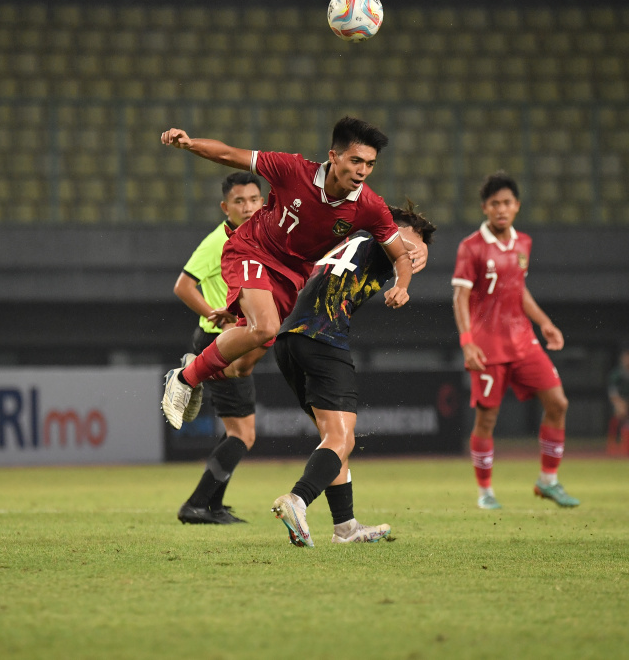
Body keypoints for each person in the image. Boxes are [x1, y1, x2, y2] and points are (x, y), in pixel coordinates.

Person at [159, 116, 423, 430]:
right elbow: (230, 154)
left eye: (370, 164)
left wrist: (402, 285)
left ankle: (196, 368)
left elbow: (400, 258)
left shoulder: (369, 206)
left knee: (242, 366)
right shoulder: (293, 170)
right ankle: (185, 380)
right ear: (333, 156)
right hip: (252, 249)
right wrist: (190, 144)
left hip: (291, 277)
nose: (362, 170)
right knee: (266, 327)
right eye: (355, 161)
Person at [271, 201, 436, 547]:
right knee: (342, 438)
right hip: (323, 337)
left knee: (333, 437)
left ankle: (345, 527)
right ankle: (297, 501)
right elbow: (404, 246)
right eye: (417, 233)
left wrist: (407, 256)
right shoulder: (385, 232)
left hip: (289, 340)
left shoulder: (350, 236)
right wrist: (412, 256)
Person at [451, 171, 580, 510]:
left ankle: (548, 481)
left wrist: (545, 323)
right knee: (487, 419)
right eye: (494, 204)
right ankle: (485, 492)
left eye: (507, 202)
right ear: (484, 208)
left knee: (558, 403)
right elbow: (459, 298)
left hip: (523, 341)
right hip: (487, 346)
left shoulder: (523, 243)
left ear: (517, 206)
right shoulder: (471, 247)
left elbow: (517, 289)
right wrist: (467, 341)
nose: (501, 209)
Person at [173, 172, 264, 525]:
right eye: (239, 201)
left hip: (232, 339)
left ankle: (211, 505)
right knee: (243, 434)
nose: (248, 206)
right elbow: (183, 285)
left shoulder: (256, 236)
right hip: (218, 341)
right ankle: (196, 505)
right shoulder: (217, 242)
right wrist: (215, 315)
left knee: (238, 433)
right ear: (226, 207)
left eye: (254, 199)